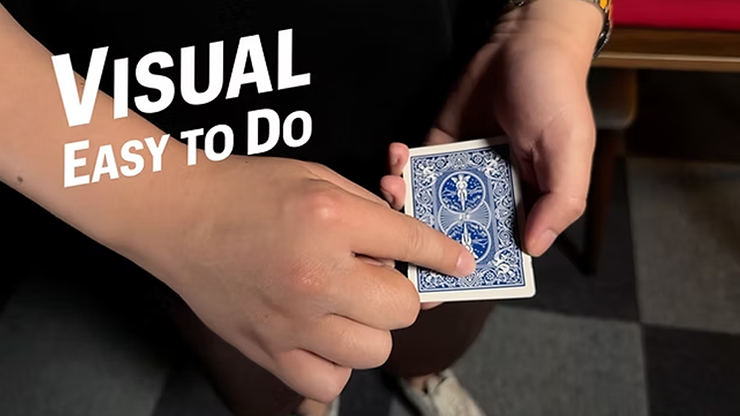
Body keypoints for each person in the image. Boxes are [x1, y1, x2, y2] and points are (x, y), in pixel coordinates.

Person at [0, 0, 609, 415]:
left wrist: (550, 20)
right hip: (157, 144)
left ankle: (420, 374)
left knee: (436, 325)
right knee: (278, 380)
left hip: (439, 114)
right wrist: (180, 206)